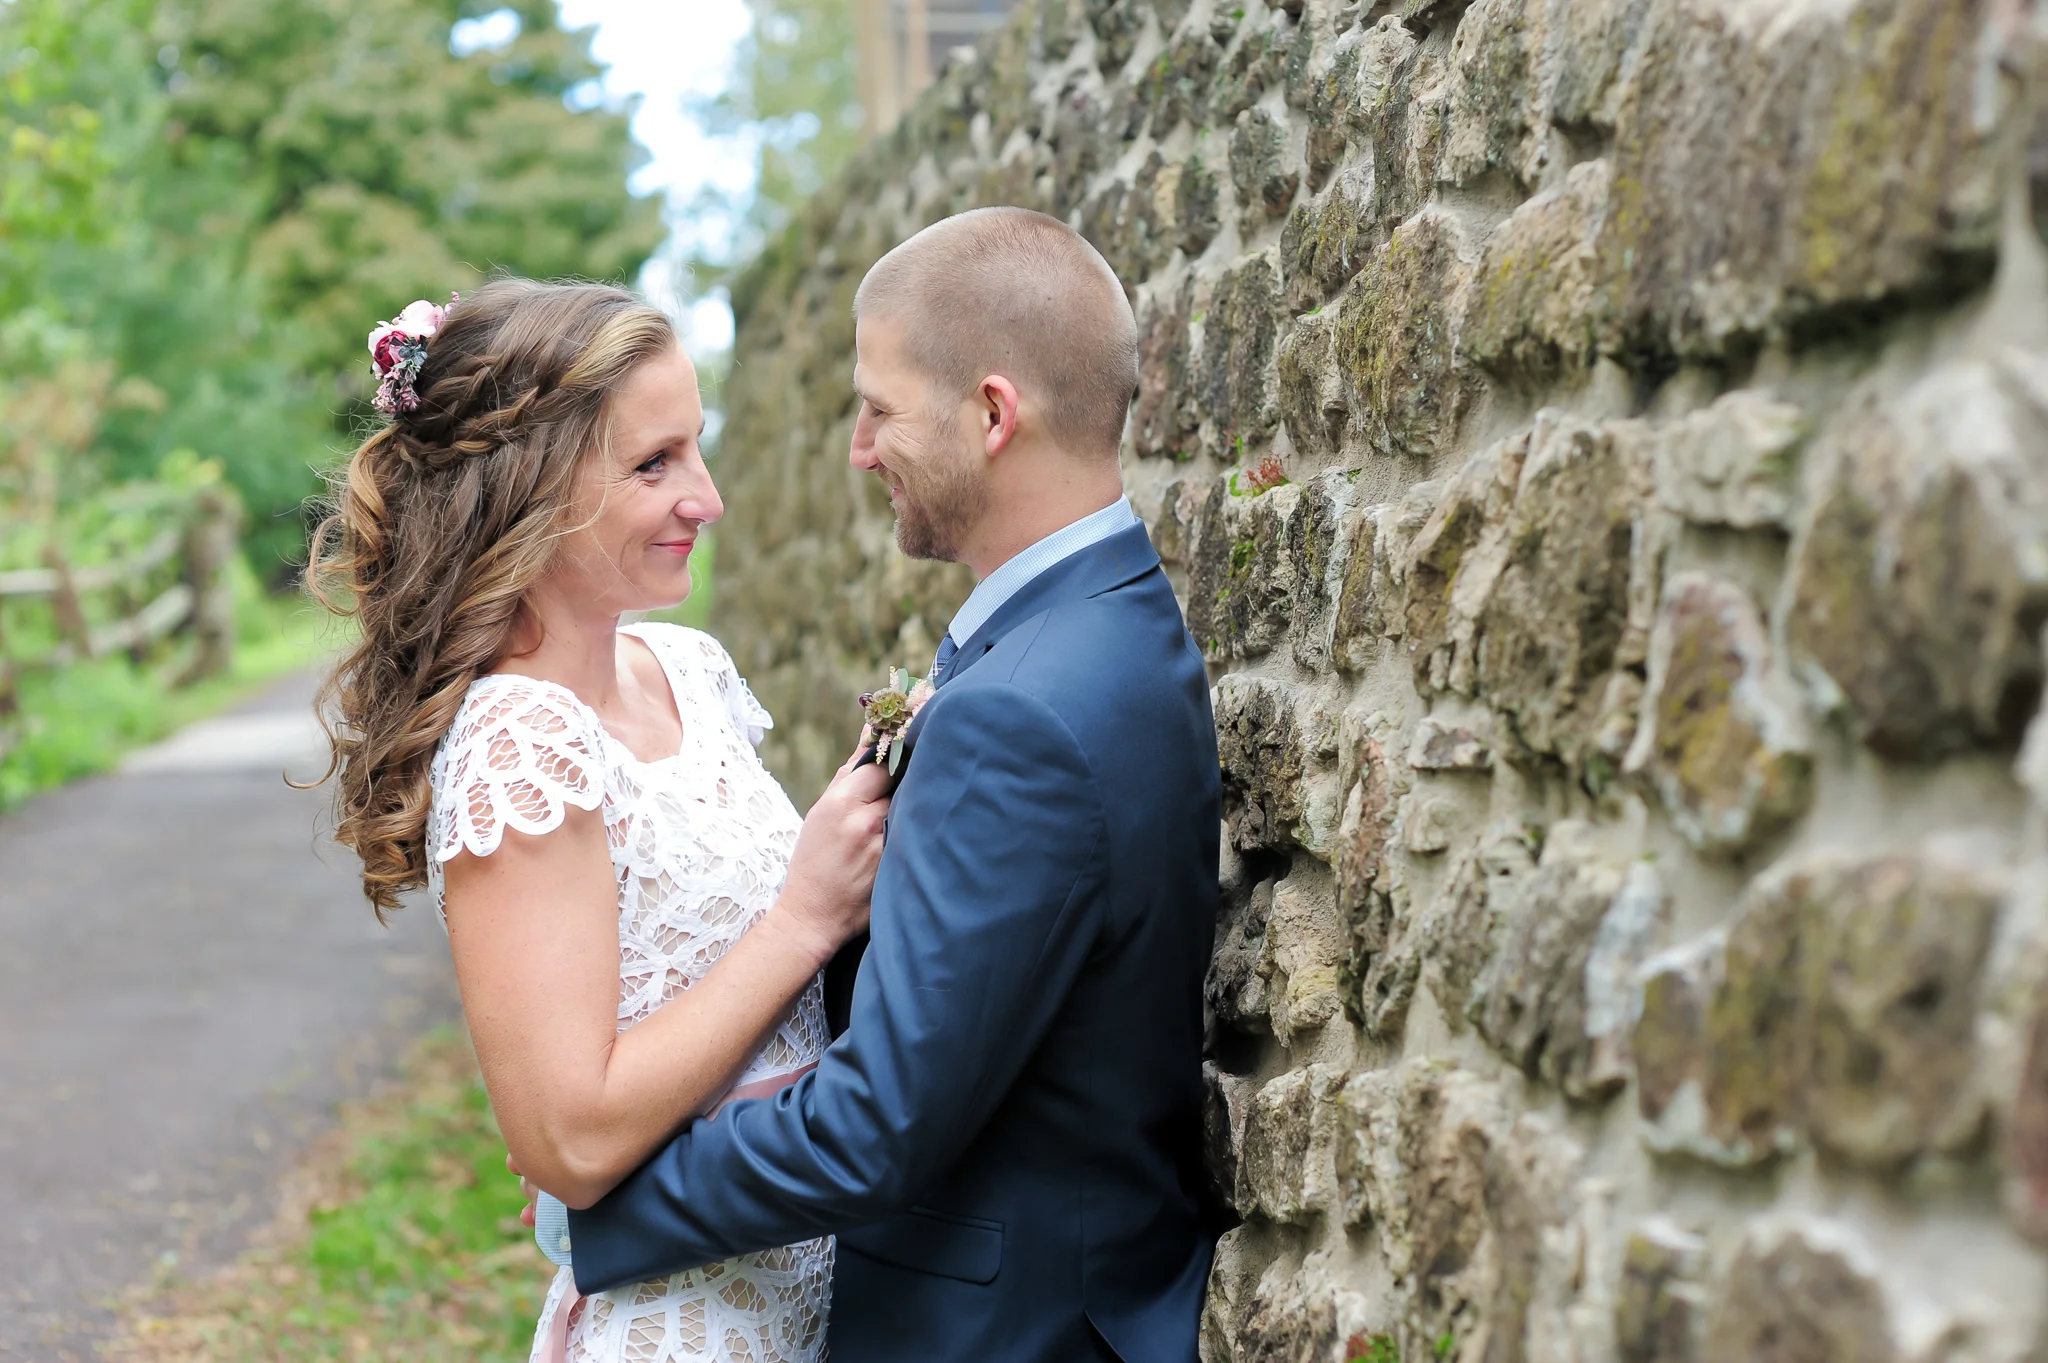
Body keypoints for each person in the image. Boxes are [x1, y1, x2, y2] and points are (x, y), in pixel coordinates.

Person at [560, 207, 1222, 1363]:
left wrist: (600, 1206)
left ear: (992, 415)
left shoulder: (1020, 709)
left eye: (879, 409)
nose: (860, 450)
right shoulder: (1111, 619)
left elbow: (875, 1126)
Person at [309, 278, 891, 1363]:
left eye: (696, 448)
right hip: (687, 1325)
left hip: (813, 1296)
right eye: (653, 463)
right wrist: (805, 917)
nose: (707, 499)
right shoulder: (519, 740)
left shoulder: (686, 668)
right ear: (530, 488)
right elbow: (569, 1138)